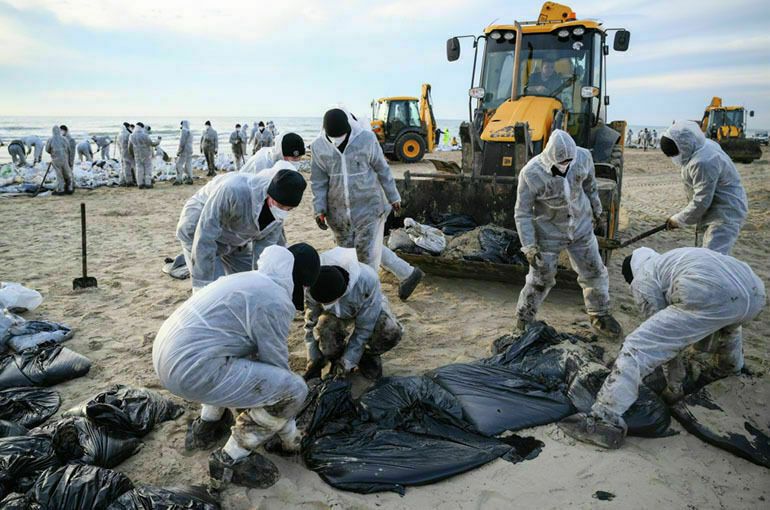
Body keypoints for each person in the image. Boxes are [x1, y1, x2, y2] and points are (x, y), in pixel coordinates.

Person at [559, 247, 766, 449]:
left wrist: (674, 386)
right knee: (728, 327)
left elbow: (663, 346)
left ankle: (603, 419)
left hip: (710, 291)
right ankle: (730, 370)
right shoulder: (670, 261)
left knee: (637, 347)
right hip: (754, 292)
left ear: (632, 274)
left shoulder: (644, 277)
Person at [153, 243, 321, 489]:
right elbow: (276, 370)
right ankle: (230, 457)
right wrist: (290, 437)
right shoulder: (274, 300)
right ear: (300, 280)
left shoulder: (249, 279)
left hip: (167, 355)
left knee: (234, 356)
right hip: (191, 370)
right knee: (294, 390)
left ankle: (206, 426)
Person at [514, 129, 621, 337]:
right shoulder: (530, 173)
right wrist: (529, 246)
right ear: (550, 158)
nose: (565, 166)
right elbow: (522, 213)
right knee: (539, 279)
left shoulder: (583, 157)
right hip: (548, 233)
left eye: (569, 162)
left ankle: (599, 313)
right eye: (561, 163)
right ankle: (524, 319)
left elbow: (590, 185)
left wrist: (597, 210)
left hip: (581, 228)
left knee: (594, 271)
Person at [311, 108, 424, 301]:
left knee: (366, 256)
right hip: (338, 213)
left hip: (369, 207)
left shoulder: (366, 140)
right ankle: (407, 273)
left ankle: (368, 299)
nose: (337, 140)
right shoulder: (318, 146)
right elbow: (318, 181)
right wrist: (319, 208)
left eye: (341, 136)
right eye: (333, 137)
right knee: (349, 253)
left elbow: (382, 169)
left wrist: (393, 197)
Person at [176, 163, 306, 292]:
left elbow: (264, 253)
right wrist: (202, 284)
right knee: (214, 290)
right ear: (269, 195)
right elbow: (205, 234)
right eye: (280, 205)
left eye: (288, 209)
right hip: (198, 228)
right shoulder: (234, 190)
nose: (282, 211)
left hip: (236, 239)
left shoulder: (278, 218)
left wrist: (264, 284)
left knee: (248, 285)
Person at [303, 247, 403, 380]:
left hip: (366, 306)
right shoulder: (311, 283)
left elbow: (364, 328)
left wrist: (348, 361)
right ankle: (335, 359)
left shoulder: (367, 280)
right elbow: (311, 323)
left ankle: (366, 357)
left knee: (389, 331)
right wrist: (313, 360)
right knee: (324, 331)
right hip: (333, 315)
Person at [659, 120, 748, 255]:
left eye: (674, 154)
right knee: (704, 254)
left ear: (684, 146)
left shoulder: (704, 162)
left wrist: (677, 219)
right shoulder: (702, 145)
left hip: (725, 213)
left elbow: (701, 200)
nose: (674, 158)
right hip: (713, 211)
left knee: (713, 258)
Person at [129, 122, 161, 189]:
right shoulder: (145, 135)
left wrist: (132, 154)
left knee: (139, 169)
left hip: (137, 154)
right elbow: (152, 144)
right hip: (146, 154)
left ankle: (140, 184)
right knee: (147, 168)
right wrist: (159, 140)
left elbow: (130, 147)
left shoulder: (131, 135)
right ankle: (148, 184)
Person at [45, 125, 74, 195]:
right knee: (67, 174)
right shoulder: (64, 139)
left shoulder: (50, 139)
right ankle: (69, 188)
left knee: (59, 175)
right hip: (64, 159)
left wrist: (53, 152)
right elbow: (69, 149)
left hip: (56, 159)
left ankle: (61, 190)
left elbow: (47, 149)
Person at [174, 120, 194, 185]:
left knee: (179, 164)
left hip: (184, 150)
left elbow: (182, 142)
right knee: (188, 164)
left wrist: (179, 151)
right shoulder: (190, 131)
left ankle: (179, 180)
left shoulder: (184, 131)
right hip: (190, 149)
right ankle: (190, 178)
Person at [117, 122, 135, 186]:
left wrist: (120, 151)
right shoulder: (128, 134)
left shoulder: (119, 134)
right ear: (127, 127)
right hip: (128, 152)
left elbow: (118, 144)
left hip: (122, 152)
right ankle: (130, 181)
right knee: (130, 166)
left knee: (124, 166)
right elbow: (131, 144)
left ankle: (123, 180)